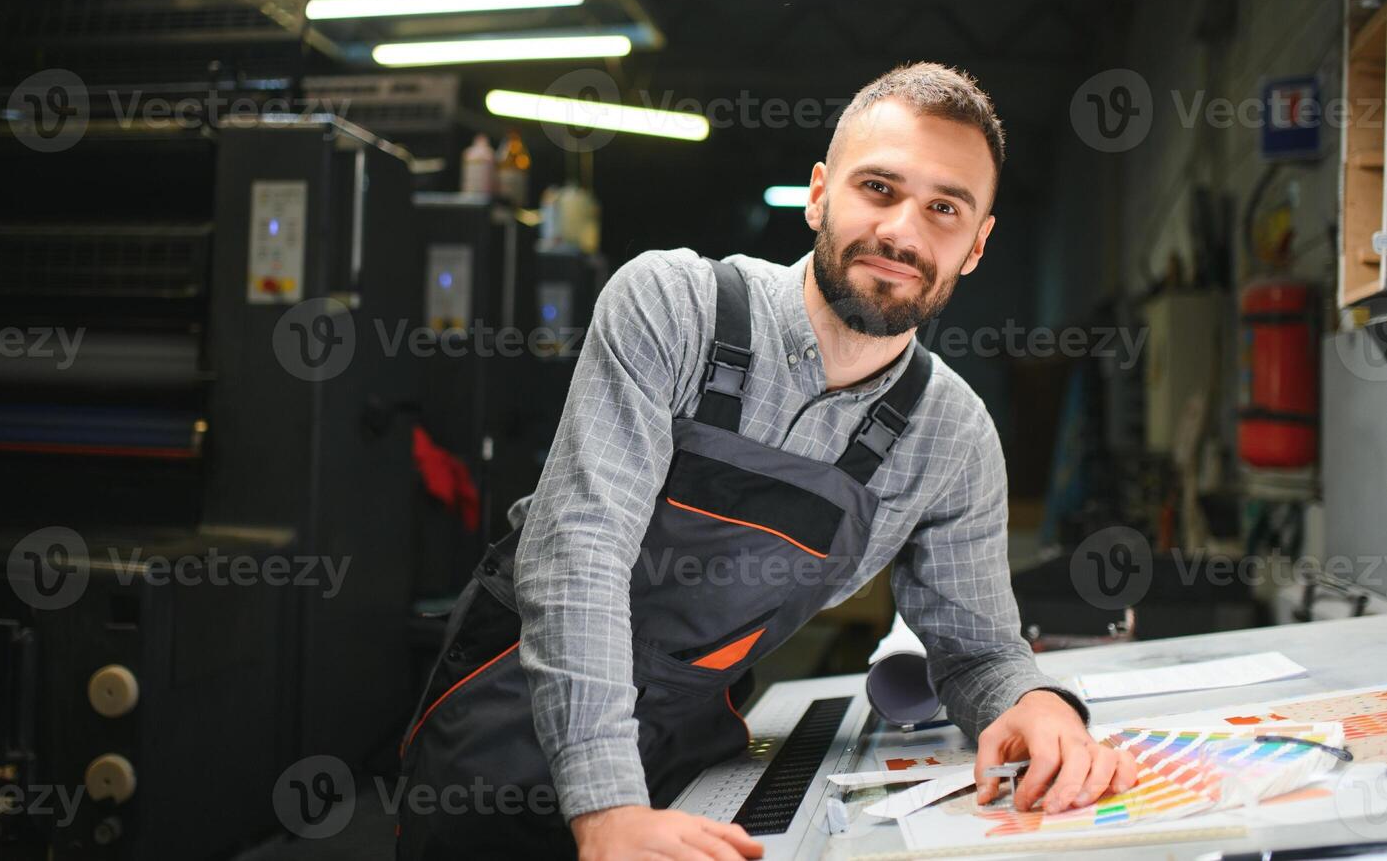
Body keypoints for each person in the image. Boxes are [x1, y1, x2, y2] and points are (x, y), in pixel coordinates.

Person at [396, 62, 1138, 861]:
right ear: (819, 193)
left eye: (944, 208)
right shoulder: (672, 306)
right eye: (878, 189)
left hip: (685, 752)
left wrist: (1035, 702)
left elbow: (977, 647)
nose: (901, 233)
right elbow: (579, 556)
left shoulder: (950, 434)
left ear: (977, 245)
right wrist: (608, 806)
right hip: (505, 724)